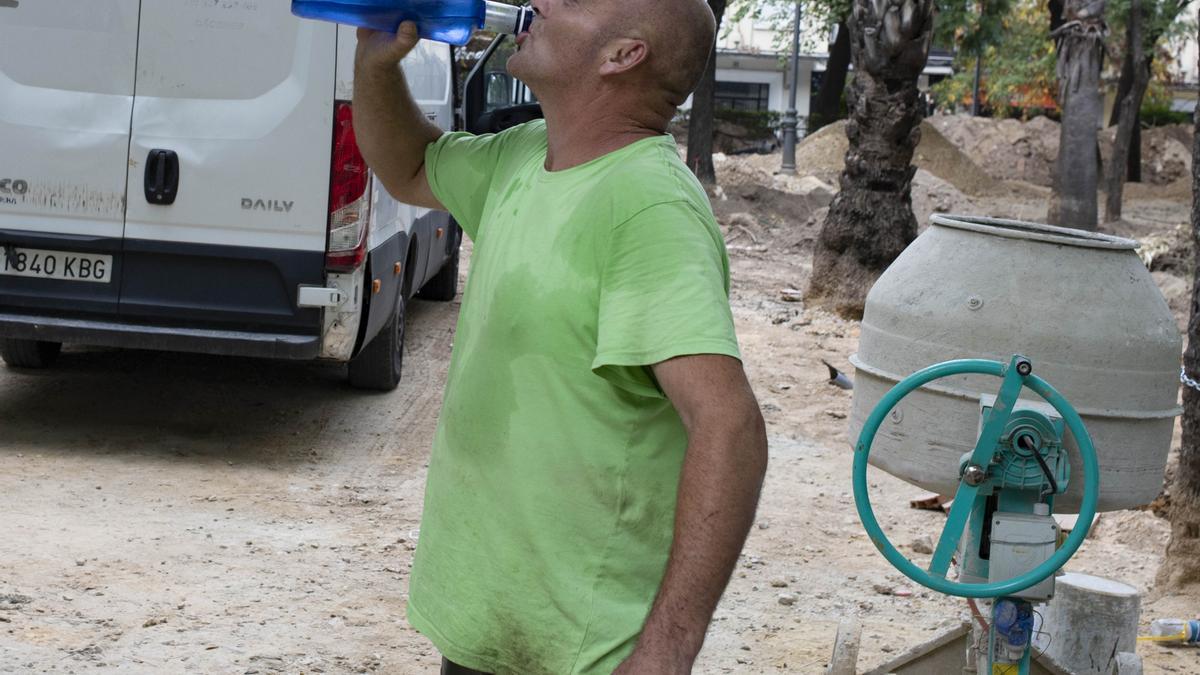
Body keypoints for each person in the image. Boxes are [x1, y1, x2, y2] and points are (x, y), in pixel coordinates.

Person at [353, 0, 768, 672]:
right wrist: (375, 66)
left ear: (622, 55)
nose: (537, 2)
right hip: (494, 631)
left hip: (582, 651)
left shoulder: (648, 204)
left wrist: (667, 648)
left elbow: (730, 424)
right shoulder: (523, 158)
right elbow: (408, 166)